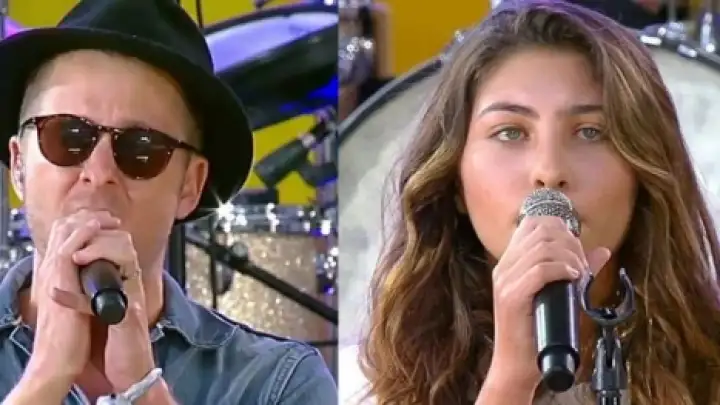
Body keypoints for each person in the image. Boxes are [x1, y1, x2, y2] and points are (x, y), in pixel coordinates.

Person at [357, 1, 720, 405]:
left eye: (590, 132)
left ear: (644, 171)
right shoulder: (392, 376)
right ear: (454, 180)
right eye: (510, 133)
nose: (549, 171)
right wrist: (510, 379)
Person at [0, 0, 336, 404]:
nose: (99, 170)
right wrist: (46, 376)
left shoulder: (275, 382)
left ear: (190, 186)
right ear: (19, 164)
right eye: (67, 136)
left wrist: (142, 386)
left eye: (141, 149)